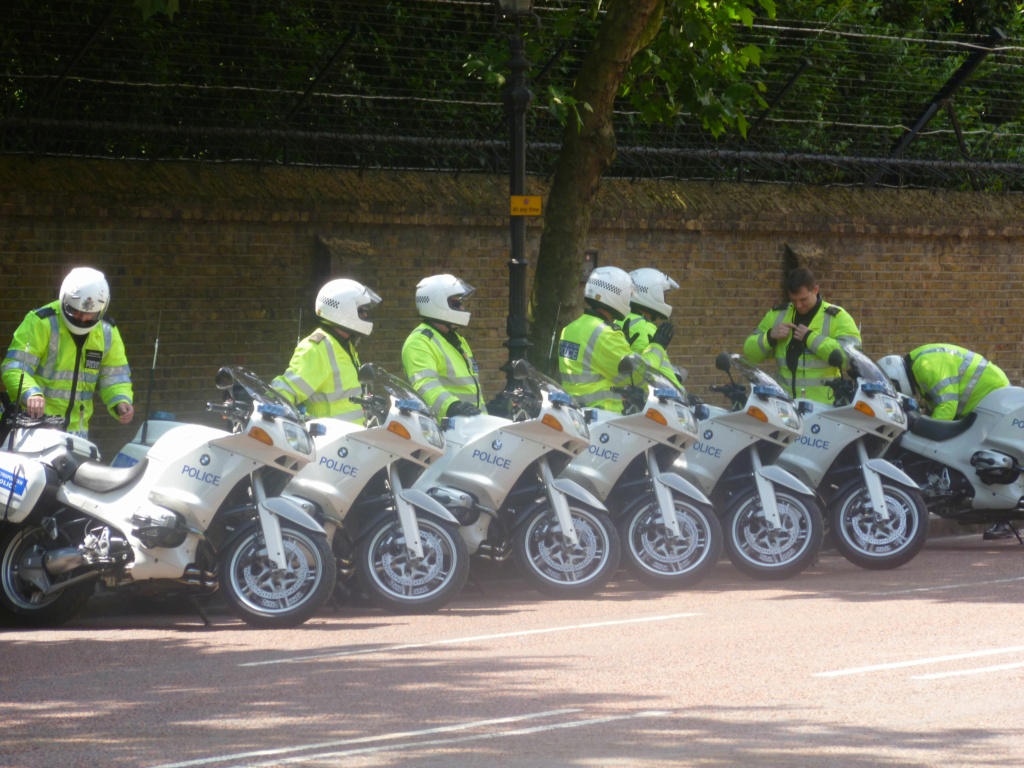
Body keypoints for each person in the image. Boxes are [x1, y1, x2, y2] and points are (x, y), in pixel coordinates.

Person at [879, 344, 1012, 540]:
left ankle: (1002, 517)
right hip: (985, 397)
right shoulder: (921, 366)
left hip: (991, 395)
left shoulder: (926, 366)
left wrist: (923, 438)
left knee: (986, 460)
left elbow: (947, 406)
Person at [1, 266, 133, 438]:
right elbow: (15, 368)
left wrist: (120, 400)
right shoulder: (41, 322)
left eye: (90, 315)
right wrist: (31, 392)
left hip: (76, 431)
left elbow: (115, 375)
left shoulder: (107, 331)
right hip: (33, 424)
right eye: (76, 312)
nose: (83, 319)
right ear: (64, 300)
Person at [742, 267, 861, 404]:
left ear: (815, 290)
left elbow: (852, 357)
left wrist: (811, 338)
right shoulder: (777, 315)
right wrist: (770, 336)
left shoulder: (837, 317)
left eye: (803, 300)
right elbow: (750, 354)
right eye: (794, 300)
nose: (798, 305)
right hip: (785, 406)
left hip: (825, 408)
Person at [272, 278, 381, 424]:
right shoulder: (317, 348)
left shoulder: (343, 345)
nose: (365, 316)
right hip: (329, 439)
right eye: (360, 311)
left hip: (352, 439)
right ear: (342, 311)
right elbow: (285, 391)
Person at [401, 274, 486, 419]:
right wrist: (453, 406)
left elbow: (472, 389)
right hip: (445, 427)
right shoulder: (419, 342)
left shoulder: (457, 339)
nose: (462, 307)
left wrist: (484, 418)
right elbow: (424, 385)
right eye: (455, 304)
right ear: (437, 304)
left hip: (471, 424)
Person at [558, 265, 640, 413]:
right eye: (628, 295)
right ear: (615, 294)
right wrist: (657, 347)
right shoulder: (606, 335)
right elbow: (635, 377)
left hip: (575, 413)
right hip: (605, 417)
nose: (629, 301)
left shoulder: (569, 329)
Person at [622, 267, 685, 391]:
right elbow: (648, 368)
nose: (665, 299)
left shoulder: (622, 319)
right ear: (649, 292)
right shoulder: (643, 326)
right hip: (666, 398)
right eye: (663, 294)